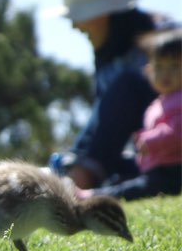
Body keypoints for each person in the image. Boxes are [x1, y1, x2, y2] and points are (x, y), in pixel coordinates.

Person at [47, 0, 159, 189]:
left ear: (104, 13)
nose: (74, 26)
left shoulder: (166, 44)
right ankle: (77, 173)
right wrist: (76, 156)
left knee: (128, 85)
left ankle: (79, 180)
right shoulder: (108, 56)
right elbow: (101, 120)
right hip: (147, 159)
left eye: (78, 17)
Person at [77, 28, 181, 201]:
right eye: (159, 67)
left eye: (175, 66)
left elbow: (178, 131)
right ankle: (100, 188)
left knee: (141, 188)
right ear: (148, 71)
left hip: (173, 171)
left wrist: (150, 140)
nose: (166, 74)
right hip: (156, 166)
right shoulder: (159, 103)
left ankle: (93, 196)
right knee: (121, 173)